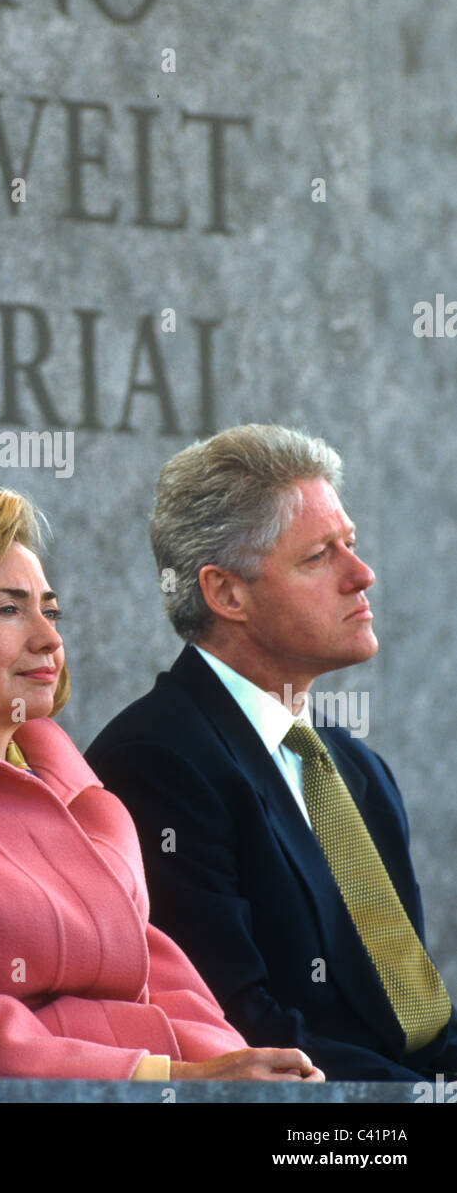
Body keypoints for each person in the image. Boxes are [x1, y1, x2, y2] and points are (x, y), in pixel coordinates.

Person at [0, 486, 324, 1082]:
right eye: (8, 609)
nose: (48, 639)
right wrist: (172, 1080)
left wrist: (255, 1075)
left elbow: (167, 985)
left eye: (49, 611)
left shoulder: (89, 797)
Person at [86, 423, 457, 1082]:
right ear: (225, 593)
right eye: (319, 556)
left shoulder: (354, 768)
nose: (361, 574)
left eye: (351, 546)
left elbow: (414, 1019)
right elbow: (239, 1029)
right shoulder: (155, 760)